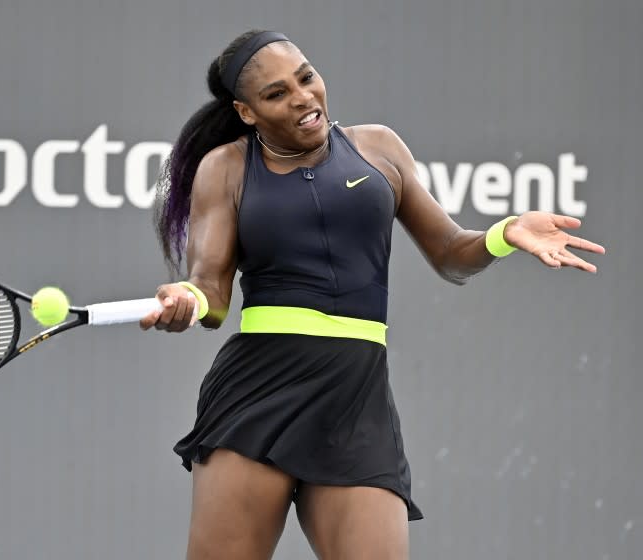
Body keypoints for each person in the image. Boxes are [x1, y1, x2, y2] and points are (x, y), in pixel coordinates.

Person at [139, 30, 605, 560]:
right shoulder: (224, 167)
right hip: (258, 397)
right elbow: (211, 291)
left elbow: (451, 253)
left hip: (356, 401)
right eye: (276, 94)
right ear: (247, 113)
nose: (303, 97)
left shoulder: (379, 147)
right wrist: (186, 299)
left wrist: (505, 233)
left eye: (306, 77)